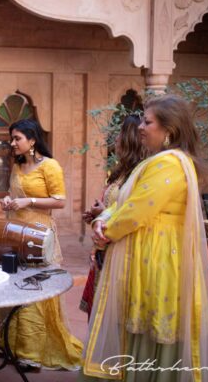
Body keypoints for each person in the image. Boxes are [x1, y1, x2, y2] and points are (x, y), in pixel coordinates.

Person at [83, 95, 208, 381]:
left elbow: (136, 212)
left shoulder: (169, 164)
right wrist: (103, 219)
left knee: (150, 335)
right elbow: (125, 204)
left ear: (169, 129)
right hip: (151, 256)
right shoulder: (163, 161)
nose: (140, 128)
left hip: (156, 261)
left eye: (147, 122)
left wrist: (104, 232)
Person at [0, 118, 83, 370]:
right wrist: (8, 200)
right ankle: (12, 345)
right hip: (15, 233)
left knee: (34, 289)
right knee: (14, 285)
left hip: (38, 235)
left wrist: (29, 202)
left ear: (32, 140)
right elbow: (15, 195)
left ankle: (31, 354)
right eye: (11, 138)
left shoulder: (50, 166)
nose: (12, 143)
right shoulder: (17, 165)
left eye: (17, 138)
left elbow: (60, 200)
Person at [79, 115, 146, 319]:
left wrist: (103, 214)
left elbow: (132, 213)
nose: (116, 139)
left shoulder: (140, 174)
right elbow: (114, 206)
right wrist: (97, 215)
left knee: (113, 314)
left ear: (131, 139)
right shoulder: (120, 172)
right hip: (104, 248)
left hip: (122, 250)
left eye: (120, 134)